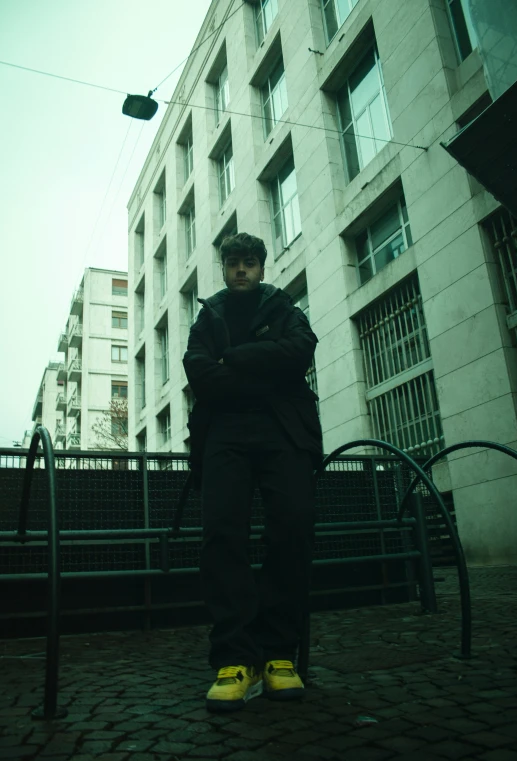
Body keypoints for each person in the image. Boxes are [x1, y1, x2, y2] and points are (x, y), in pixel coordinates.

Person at [182, 232, 323, 712]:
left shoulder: (284, 308)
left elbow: (302, 350)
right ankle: (235, 660)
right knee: (222, 534)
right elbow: (198, 370)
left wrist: (239, 359)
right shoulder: (209, 315)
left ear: (262, 267)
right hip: (224, 433)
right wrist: (267, 372)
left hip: (284, 430)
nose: (241, 270)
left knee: (293, 528)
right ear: (224, 269)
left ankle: (279, 655)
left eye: (249, 262)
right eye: (233, 263)